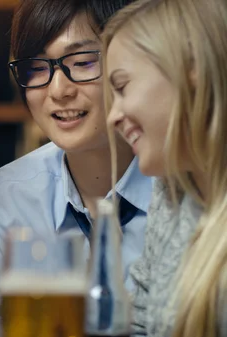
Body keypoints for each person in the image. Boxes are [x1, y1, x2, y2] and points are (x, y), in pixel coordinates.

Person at [0, 0, 153, 336]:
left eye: (84, 61)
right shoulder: (5, 196)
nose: (58, 90)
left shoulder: (191, 189)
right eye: (37, 67)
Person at [104, 0, 227, 335]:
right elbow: (142, 322)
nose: (112, 117)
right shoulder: (174, 189)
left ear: (192, 68)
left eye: (122, 86)